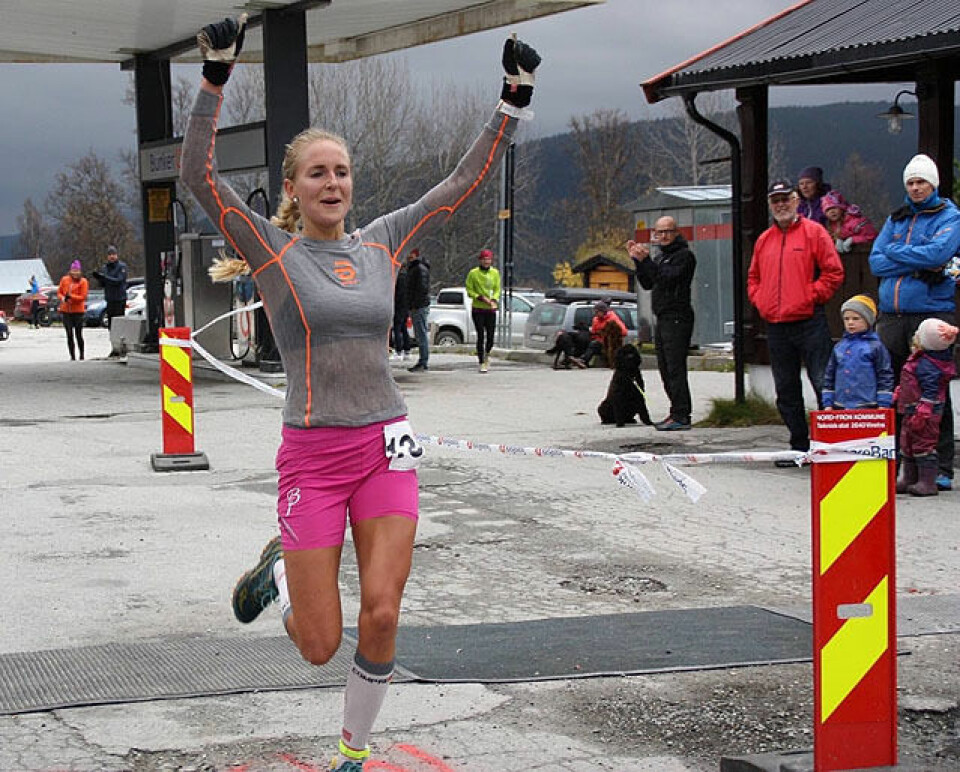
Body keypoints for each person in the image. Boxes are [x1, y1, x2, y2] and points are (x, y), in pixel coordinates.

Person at [178, 15, 540, 771]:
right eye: (318, 173)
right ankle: (280, 569)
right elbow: (197, 180)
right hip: (312, 456)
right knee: (318, 645)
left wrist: (511, 102)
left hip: (386, 447)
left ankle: (354, 750)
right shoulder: (273, 251)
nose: (333, 183)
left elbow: (458, 185)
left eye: (341, 171)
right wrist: (215, 76)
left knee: (381, 611)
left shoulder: (382, 240)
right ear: (293, 188)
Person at [869, 153, 960, 492]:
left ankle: (941, 467)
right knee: (895, 389)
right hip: (892, 316)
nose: (916, 187)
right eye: (911, 182)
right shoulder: (897, 218)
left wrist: (896, 253)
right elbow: (876, 262)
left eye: (921, 181)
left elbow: (939, 255)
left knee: (933, 390)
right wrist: (911, 259)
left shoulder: (949, 216)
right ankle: (896, 463)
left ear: (933, 183)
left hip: (930, 313)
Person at [747, 179, 844, 463]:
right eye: (775, 201)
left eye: (785, 199)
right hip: (776, 325)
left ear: (796, 201)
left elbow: (833, 272)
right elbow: (753, 278)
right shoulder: (764, 240)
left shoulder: (815, 233)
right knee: (786, 390)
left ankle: (829, 446)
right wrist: (761, 300)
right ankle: (799, 447)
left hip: (810, 321)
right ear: (770, 205)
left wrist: (811, 296)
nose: (781, 205)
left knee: (822, 383)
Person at [628, 215, 696, 431]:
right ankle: (675, 411)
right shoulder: (659, 257)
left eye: (667, 231)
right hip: (663, 318)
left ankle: (682, 414)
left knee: (675, 368)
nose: (663, 236)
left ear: (676, 232)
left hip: (677, 317)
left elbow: (667, 278)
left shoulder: (684, 256)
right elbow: (648, 282)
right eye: (659, 232)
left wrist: (646, 261)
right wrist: (639, 262)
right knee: (665, 368)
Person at [894, 319, 958, 496]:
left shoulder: (928, 365)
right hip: (910, 407)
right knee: (907, 443)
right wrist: (901, 391)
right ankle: (909, 478)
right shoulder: (919, 359)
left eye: (918, 335)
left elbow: (931, 389)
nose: (915, 337)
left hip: (923, 411)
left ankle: (927, 481)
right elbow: (910, 381)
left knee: (923, 444)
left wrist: (925, 408)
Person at [821, 295, 893, 410]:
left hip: (868, 405)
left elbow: (884, 375)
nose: (850, 323)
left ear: (868, 320)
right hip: (841, 405)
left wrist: (884, 403)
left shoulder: (875, 346)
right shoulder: (839, 347)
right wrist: (828, 402)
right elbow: (830, 375)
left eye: (856, 319)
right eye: (846, 319)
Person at [465, 248, 500, 373]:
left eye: (489, 259)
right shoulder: (473, 273)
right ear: (480, 260)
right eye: (484, 259)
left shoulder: (495, 273)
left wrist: (494, 300)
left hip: (490, 309)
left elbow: (497, 288)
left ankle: (487, 354)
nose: (486, 262)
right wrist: (479, 297)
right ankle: (481, 361)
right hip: (478, 308)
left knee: (490, 336)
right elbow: (469, 290)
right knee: (481, 335)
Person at [576, 300, 628, 368]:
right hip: (597, 339)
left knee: (594, 344)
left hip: (607, 342)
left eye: (597, 312)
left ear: (603, 311)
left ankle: (583, 360)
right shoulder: (595, 319)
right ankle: (575, 359)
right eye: (595, 312)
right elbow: (594, 332)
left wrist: (608, 333)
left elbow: (624, 332)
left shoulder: (613, 319)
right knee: (583, 339)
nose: (595, 313)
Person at [405, 248, 431, 372]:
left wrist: (415, 304)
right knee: (420, 333)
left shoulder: (419, 269)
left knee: (421, 334)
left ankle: (423, 361)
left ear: (414, 254)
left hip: (419, 306)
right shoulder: (415, 268)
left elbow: (422, 288)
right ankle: (422, 360)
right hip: (417, 305)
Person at [57, 260, 89, 361]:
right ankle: (72, 356)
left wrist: (71, 296)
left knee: (78, 334)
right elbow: (59, 292)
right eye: (73, 270)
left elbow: (83, 297)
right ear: (70, 271)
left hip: (78, 311)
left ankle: (82, 354)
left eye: (77, 270)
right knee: (69, 334)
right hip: (66, 311)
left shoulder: (83, 281)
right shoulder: (64, 279)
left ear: (80, 271)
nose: (75, 273)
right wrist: (63, 298)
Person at [91, 245, 128, 329]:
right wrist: (99, 278)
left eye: (113, 254)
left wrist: (104, 278)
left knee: (119, 322)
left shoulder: (122, 267)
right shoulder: (105, 267)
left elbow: (118, 281)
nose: (112, 256)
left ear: (117, 255)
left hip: (119, 299)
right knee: (111, 323)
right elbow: (103, 284)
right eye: (110, 254)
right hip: (110, 298)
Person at [390, 259, 411, 362]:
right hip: (406, 305)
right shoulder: (408, 277)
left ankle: (398, 351)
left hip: (399, 306)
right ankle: (407, 350)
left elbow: (398, 294)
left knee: (397, 328)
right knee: (403, 328)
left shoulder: (399, 278)